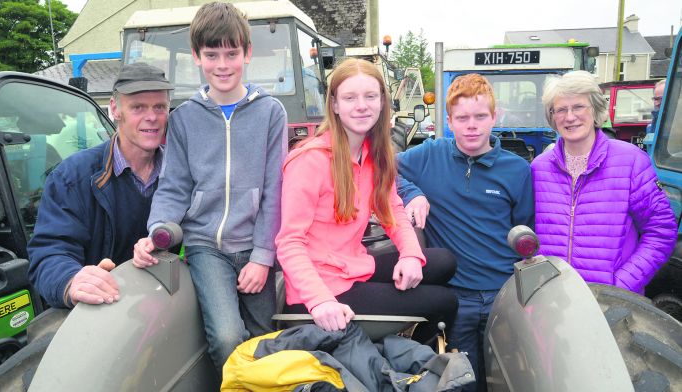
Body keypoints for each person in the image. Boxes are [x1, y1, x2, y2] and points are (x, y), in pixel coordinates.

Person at [131, 2, 287, 384]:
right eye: (212, 54)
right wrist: (158, 230)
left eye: (231, 53)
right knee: (229, 337)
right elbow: (175, 187)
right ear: (197, 57)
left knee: (265, 335)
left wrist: (264, 258)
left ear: (247, 54)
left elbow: (274, 191)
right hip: (206, 247)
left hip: (254, 245)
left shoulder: (271, 113)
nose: (222, 64)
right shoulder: (185, 118)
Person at [275, 58, 457, 345]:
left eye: (370, 96)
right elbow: (289, 243)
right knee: (445, 302)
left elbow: (393, 211)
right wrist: (321, 301)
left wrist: (410, 255)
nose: (361, 105)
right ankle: (404, 364)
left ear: (383, 102)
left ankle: (397, 345)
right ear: (334, 105)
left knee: (444, 262)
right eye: (350, 98)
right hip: (323, 287)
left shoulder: (373, 155)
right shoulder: (309, 160)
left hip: (353, 266)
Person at [395, 73, 534, 392]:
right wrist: (411, 191)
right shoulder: (427, 155)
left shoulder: (517, 170)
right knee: (462, 379)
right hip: (456, 297)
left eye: (480, 116)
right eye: (462, 118)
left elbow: (524, 230)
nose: (472, 125)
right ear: (449, 121)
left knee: (507, 377)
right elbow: (380, 170)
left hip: (504, 295)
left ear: (494, 117)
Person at [27, 62, 173, 308]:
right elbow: (50, 252)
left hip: (167, 311)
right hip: (103, 313)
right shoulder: (72, 178)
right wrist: (71, 279)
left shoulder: (183, 174)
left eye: (159, 106)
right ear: (115, 109)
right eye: (138, 107)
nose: (152, 117)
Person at [532, 70, 676, 294]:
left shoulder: (630, 162)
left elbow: (661, 231)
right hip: (554, 301)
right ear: (552, 116)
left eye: (578, 106)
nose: (570, 117)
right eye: (561, 109)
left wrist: (622, 285)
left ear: (596, 109)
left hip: (611, 303)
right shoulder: (538, 169)